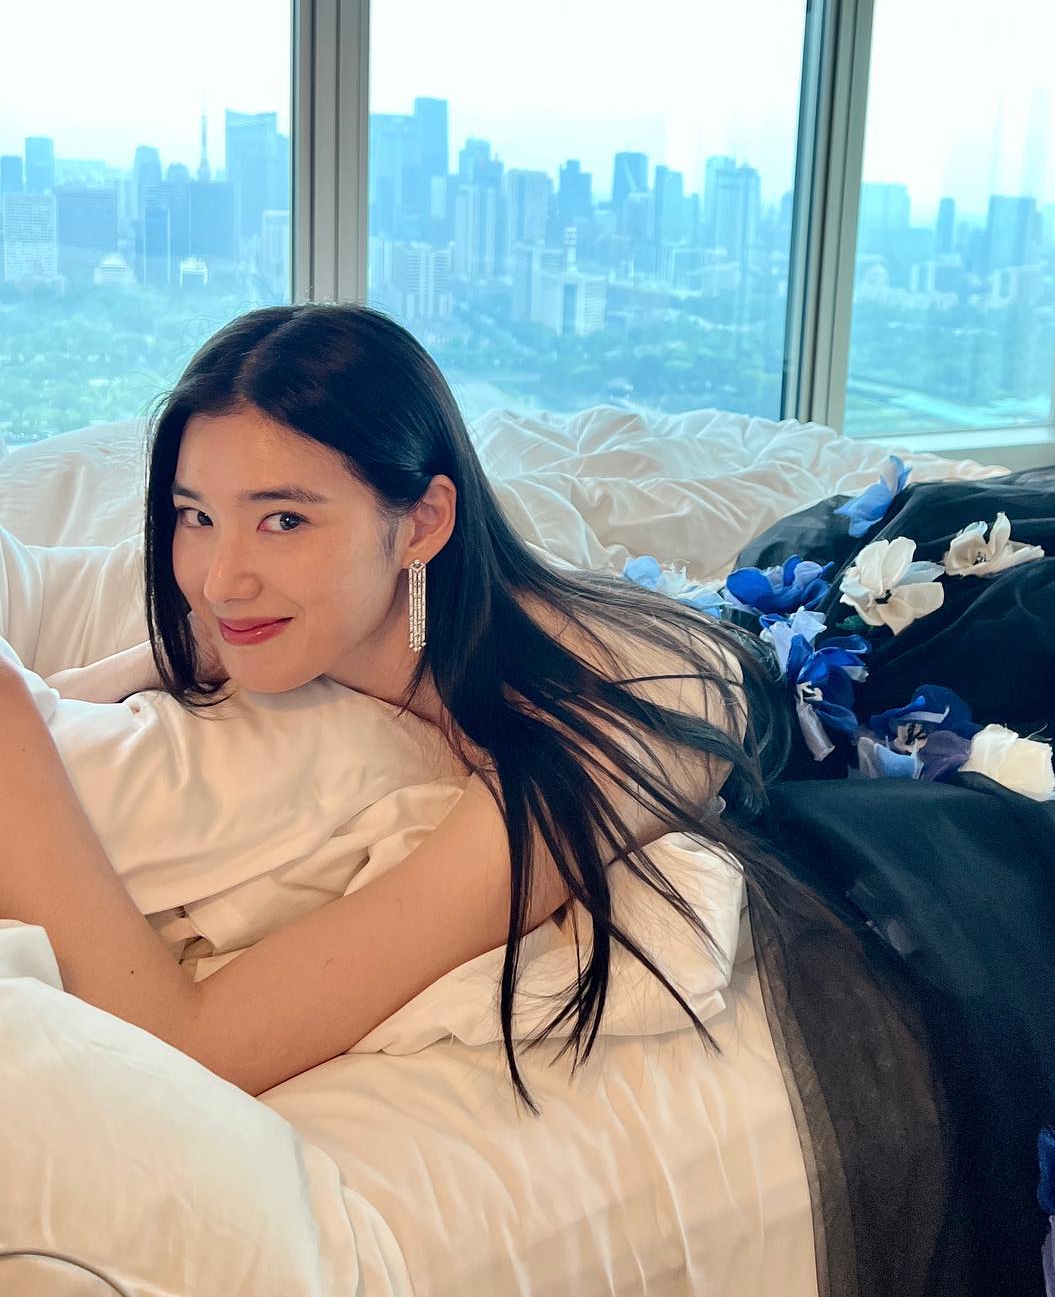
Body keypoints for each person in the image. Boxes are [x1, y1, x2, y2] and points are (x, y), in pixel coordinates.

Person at [11, 302, 797, 1106]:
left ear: (423, 524)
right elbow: (68, 696)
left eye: (283, 519)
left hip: (823, 687)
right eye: (198, 516)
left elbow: (193, 1043)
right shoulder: (280, 616)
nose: (220, 580)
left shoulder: (592, 738)